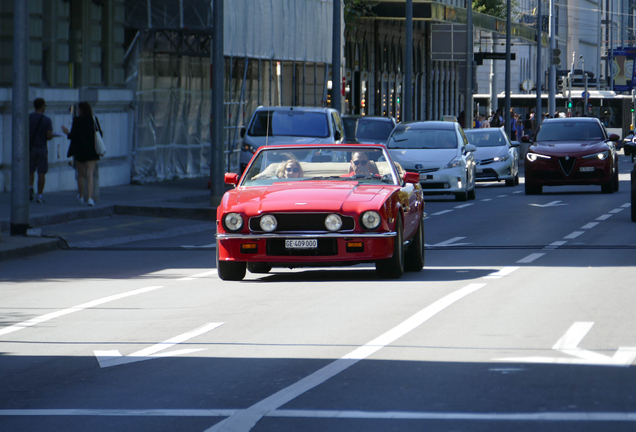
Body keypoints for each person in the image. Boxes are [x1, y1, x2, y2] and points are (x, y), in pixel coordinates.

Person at [62, 101, 102, 206]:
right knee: (90, 175)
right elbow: (100, 134)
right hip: (92, 151)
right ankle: (89, 198)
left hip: (80, 151)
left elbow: (73, 136)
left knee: (81, 175)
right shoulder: (94, 120)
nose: (78, 111)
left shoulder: (76, 120)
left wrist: (67, 132)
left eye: (79, 109)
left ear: (81, 110)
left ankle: (81, 196)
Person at [29, 97, 53, 203]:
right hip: (42, 148)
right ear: (42, 106)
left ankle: (30, 187)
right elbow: (49, 136)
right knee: (41, 173)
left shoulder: (28, 118)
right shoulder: (46, 119)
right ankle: (39, 195)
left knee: (30, 171)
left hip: (30, 148)